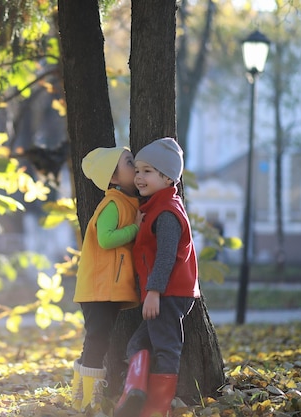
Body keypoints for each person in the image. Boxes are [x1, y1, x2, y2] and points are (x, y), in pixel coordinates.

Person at [114, 137, 200, 417]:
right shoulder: (155, 207)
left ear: (167, 177)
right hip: (163, 292)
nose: (138, 176)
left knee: (166, 348)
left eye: (147, 171)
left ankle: (155, 410)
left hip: (168, 293)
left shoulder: (167, 213)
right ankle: (135, 394)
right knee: (138, 344)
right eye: (137, 170)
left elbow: (165, 257)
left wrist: (153, 292)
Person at [70, 146, 144, 414]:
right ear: (113, 178)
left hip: (105, 288)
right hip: (99, 288)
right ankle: (88, 401)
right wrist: (136, 227)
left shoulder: (128, 201)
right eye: (128, 162)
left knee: (96, 339)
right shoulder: (113, 204)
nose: (135, 165)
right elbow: (106, 239)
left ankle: (81, 397)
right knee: (98, 340)